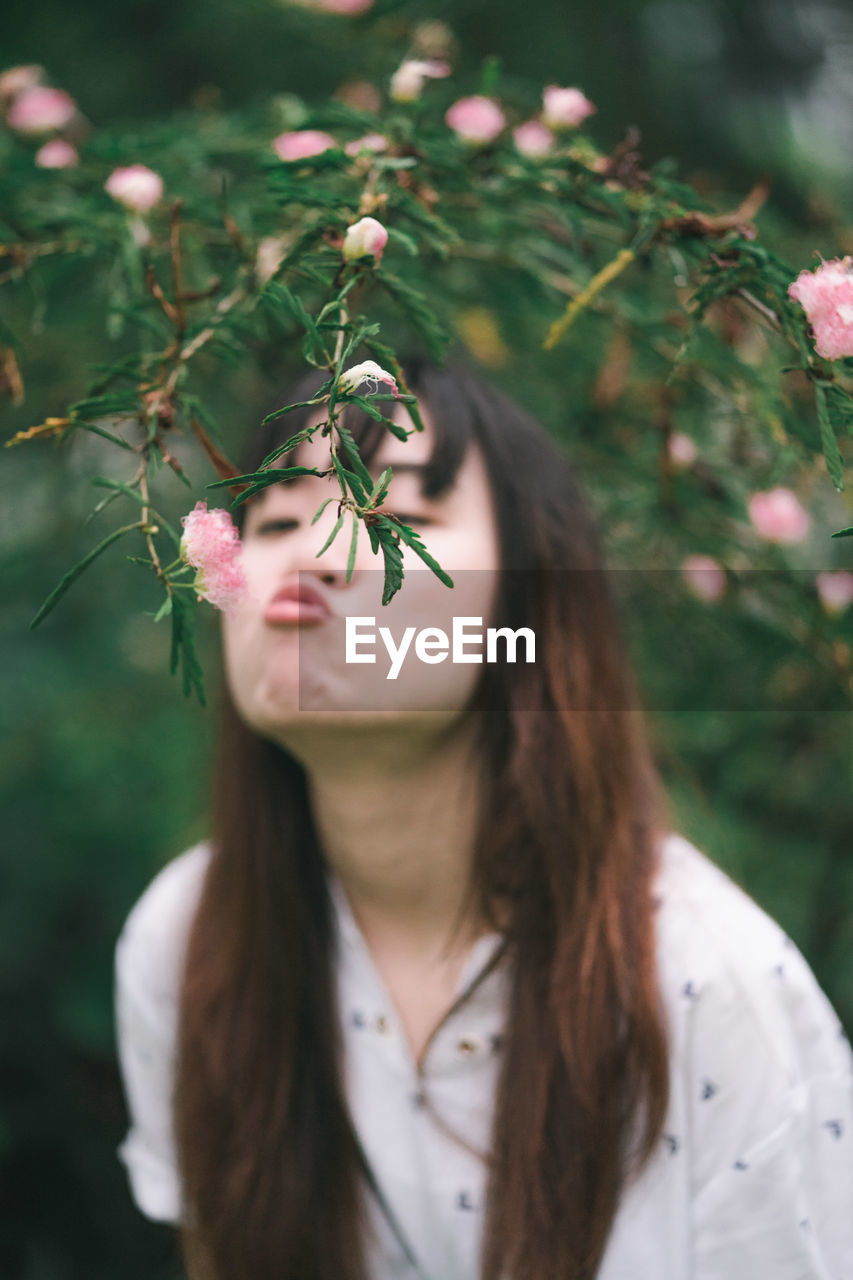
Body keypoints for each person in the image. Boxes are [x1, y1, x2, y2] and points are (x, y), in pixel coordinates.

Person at [114, 355, 853, 1280]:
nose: (313, 553)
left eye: (397, 517)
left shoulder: (707, 987)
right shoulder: (185, 944)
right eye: (271, 518)